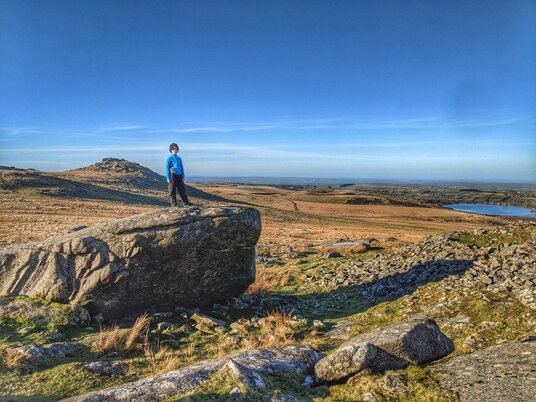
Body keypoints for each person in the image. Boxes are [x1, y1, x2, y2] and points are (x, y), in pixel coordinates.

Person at [165, 143, 192, 207]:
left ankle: (186, 203)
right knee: (172, 190)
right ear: (171, 149)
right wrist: (168, 178)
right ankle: (174, 205)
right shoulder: (169, 158)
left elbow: (182, 168)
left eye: (177, 149)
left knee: (182, 190)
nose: (176, 150)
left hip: (179, 176)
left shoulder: (179, 158)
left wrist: (183, 177)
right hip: (172, 175)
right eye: (174, 148)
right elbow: (167, 168)